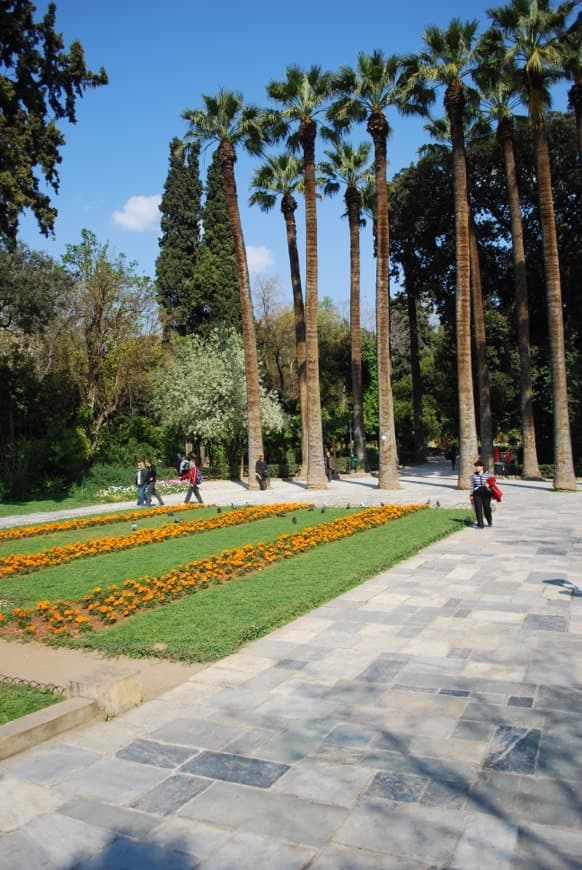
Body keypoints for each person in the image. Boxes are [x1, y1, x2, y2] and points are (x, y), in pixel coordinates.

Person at [470, 458, 493, 528]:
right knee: (478, 508)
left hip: (486, 493)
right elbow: (472, 485)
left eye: (478, 466)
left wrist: (489, 485)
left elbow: (493, 482)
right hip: (477, 493)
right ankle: (480, 524)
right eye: (475, 466)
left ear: (482, 466)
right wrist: (471, 494)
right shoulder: (473, 476)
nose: (476, 468)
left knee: (487, 508)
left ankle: (489, 520)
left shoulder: (488, 474)